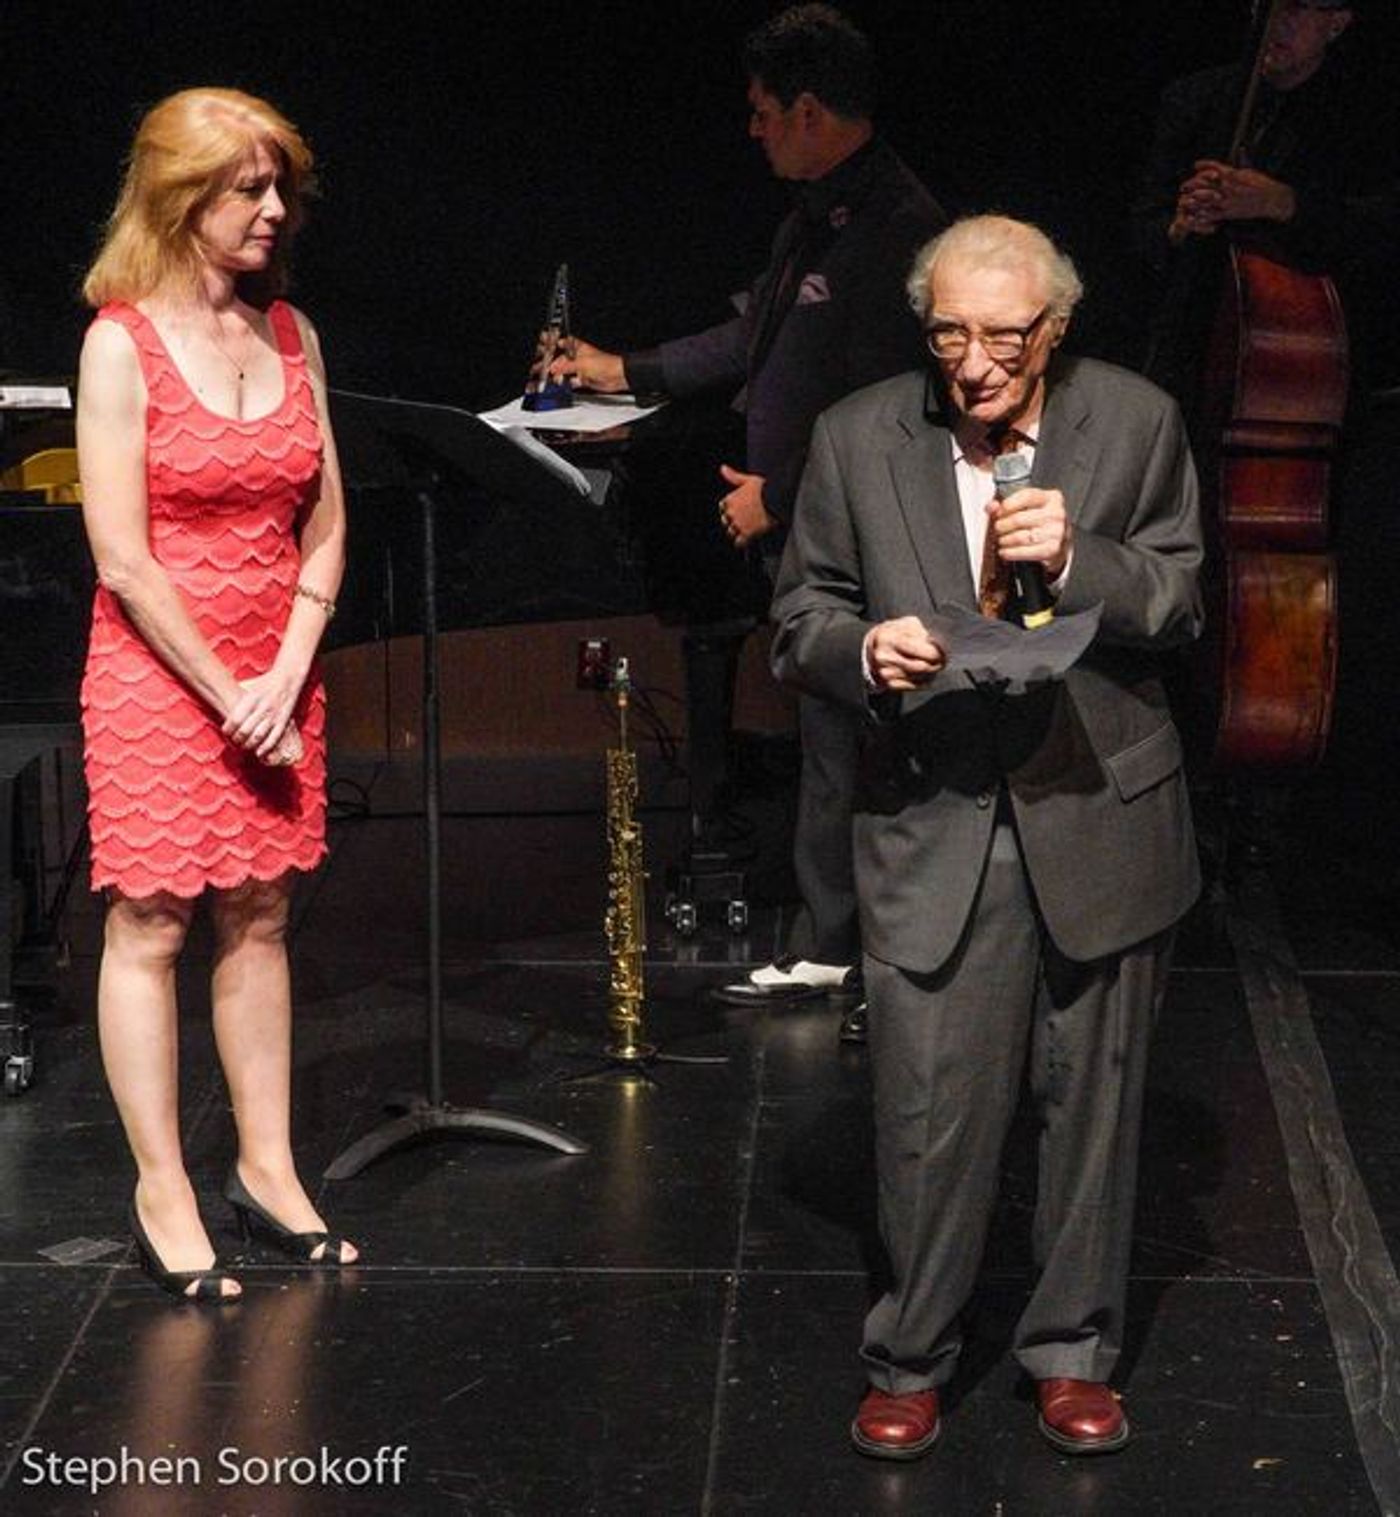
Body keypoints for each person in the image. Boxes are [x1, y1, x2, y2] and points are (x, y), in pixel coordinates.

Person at [770, 215, 1204, 1458]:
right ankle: (909, 1355)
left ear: (1053, 330)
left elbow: (1177, 598)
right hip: (932, 812)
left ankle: (1071, 1351)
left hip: (1097, 807)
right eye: (948, 335)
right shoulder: (858, 435)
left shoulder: (1133, 420)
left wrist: (1082, 558)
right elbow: (800, 612)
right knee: (926, 1111)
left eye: (1003, 338)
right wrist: (862, 650)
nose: (973, 364)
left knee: (1092, 1107)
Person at [553, 5, 946, 1036]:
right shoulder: (810, 218)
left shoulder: (898, 229)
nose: (754, 128)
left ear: (809, 110)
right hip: (807, 528)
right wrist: (624, 369)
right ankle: (833, 939)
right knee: (825, 733)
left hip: (861, 529)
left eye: (765, 110)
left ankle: (854, 951)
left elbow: (885, 404)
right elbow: (751, 338)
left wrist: (778, 492)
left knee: (857, 741)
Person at [77, 87, 355, 1301]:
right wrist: (229, 687)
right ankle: (163, 1187)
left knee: (261, 911)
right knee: (151, 919)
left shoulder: (291, 332)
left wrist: (288, 664)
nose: (274, 208)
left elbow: (327, 520)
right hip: (159, 668)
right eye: (248, 187)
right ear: (180, 197)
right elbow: (123, 558)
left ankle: (266, 1166)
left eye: (279, 184)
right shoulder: (119, 342)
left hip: (275, 667)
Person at [1132, 0, 1400, 396]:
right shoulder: (1195, 98)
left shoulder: (1367, 117)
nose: (1277, 21)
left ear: (1336, 23)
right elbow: (1143, 225)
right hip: (1189, 338)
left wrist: (1283, 203)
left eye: (1297, 8)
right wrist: (1179, 227)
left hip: (1311, 358)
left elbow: (1381, 230)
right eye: (1269, 6)